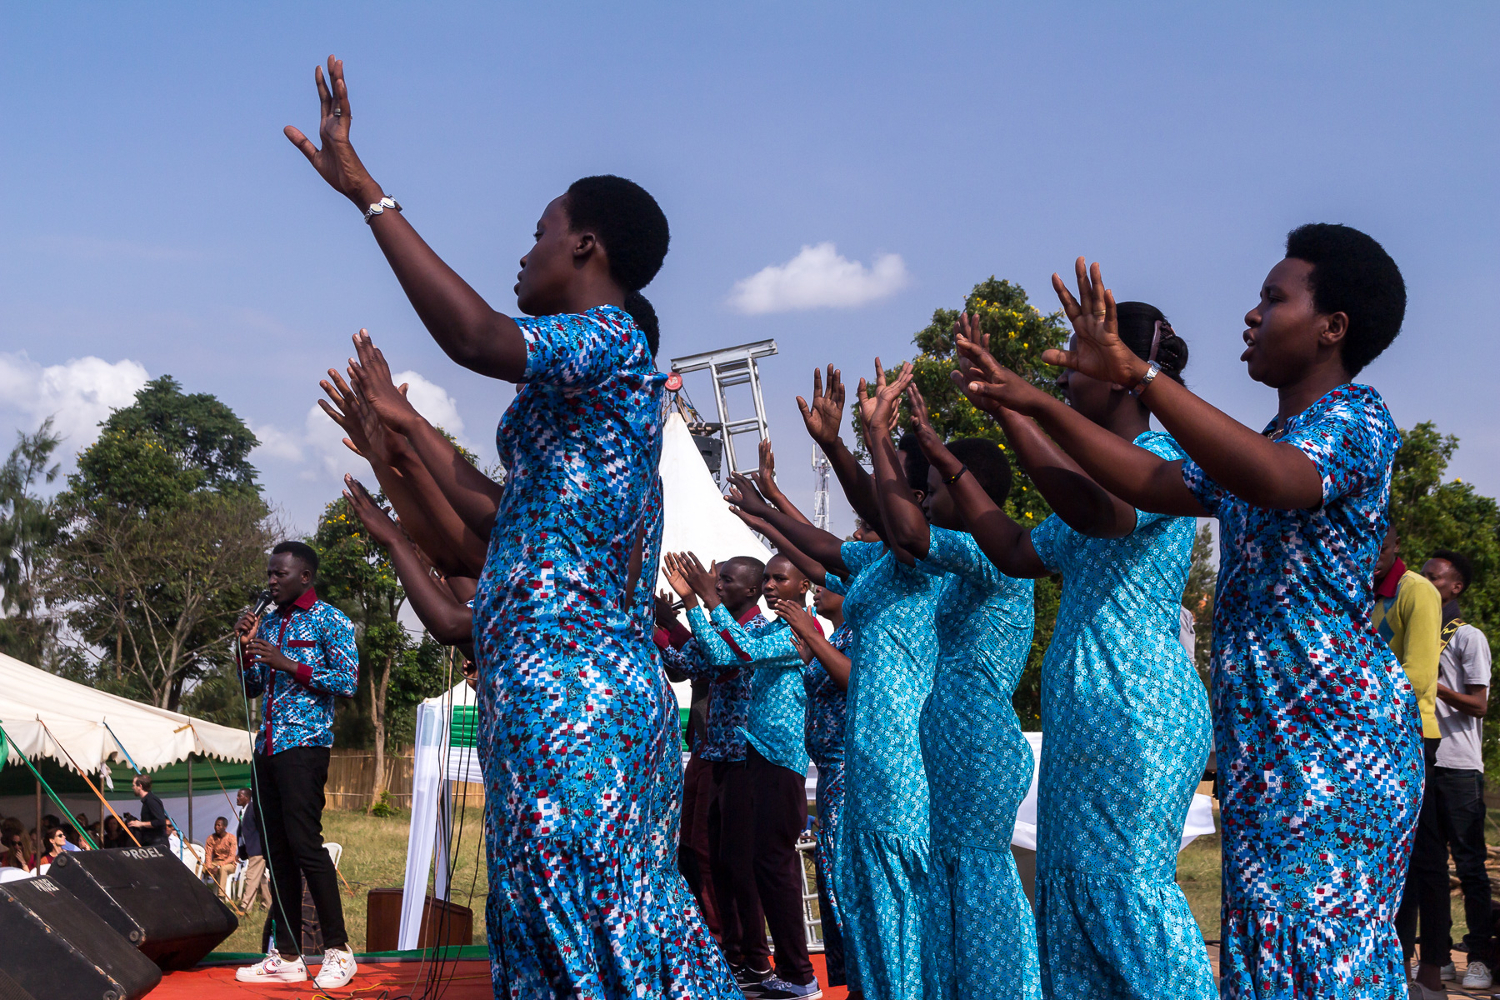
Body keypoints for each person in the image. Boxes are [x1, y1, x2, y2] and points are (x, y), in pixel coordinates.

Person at [287, 54, 735, 999]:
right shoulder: (566, 409)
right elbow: (494, 516)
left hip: (583, 698)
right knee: (545, 923)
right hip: (542, 696)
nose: (523, 251)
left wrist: (366, 192)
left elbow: (480, 338)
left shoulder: (615, 342)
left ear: (587, 249)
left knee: (598, 921)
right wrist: (399, 444)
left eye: (539, 235)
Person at [958, 229, 1421, 995]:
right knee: (1269, 955)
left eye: (1274, 299)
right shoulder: (1267, 440)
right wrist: (1028, 401)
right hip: (1267, 737)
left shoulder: (1357, 419)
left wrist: (1140, 377)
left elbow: (1277, 479)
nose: (1251, 314)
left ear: (1333, 327)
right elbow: (1147, 480)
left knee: (1317, 956)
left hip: (1336, 739)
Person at [946, 306, 1215, 997]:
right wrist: (995, 419)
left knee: (1120, 890)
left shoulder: (1161, 460)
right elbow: (1012, 551)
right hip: (1087, 713)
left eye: (1076, 359)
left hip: (1137, 707)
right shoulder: (1088, 486)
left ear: (1124, 374)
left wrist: (1024, 404)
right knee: (1071, 894)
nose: (1063, 372)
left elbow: (1103, 511)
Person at [727, 367, 945, 1000]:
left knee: (891, 900)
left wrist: (846, 446)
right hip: (860, 759)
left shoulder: (925, 556)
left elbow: (840, 545)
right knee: (858, 895)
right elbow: (820, 545)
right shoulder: (879, 566)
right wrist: (768, 507)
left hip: (887, 758)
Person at [853, 365, 1042, 1000]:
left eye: (932, 488)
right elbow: (892, 524)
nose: (924, 498)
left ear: (969, 490)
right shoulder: (953, 565)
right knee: (951, 887)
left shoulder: (993, 555)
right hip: (949, 747)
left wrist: (881, 439)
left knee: (978, 882)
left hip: (978, 746)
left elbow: (905, 528)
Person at [666, 551, 822, 1000]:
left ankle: (797, 974)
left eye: (780, 579)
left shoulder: (798, 631)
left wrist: (701, 603)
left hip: (776, 762)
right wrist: (690, 609)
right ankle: (773, 968)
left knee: (772, 869)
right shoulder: (778, 628)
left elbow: (735, 651)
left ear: (803, 586)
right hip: (753, 760)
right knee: (741, 865)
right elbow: (710, 653)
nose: (772, 586)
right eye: (768, 578)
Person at [233, 540, 359, 989]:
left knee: (306, 845)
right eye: (269, 573)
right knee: (276, 852)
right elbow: (251, 687)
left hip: (304, 746)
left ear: (304, 576)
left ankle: (338, 951)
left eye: (279, 574)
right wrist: (243, 646)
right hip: (267, 748)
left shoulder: (330, 620)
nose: (270, 581)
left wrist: (289, 663)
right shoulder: (268, 620)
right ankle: (287, 955)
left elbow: (347, 681)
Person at [654, 557, 767, 985]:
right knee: (708, 857)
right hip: (713, 753)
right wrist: (654, 623)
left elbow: (726, 657)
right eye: (716, 580)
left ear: (751, 590)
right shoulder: (720, 625)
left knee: (737, 864)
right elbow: (687, 667)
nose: (716, 585)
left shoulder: (759, 631)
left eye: (725, 581)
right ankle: (729, 952)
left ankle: (754, 958)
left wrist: (692, 600)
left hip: (743, 760)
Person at [1415, 550, 1493, 990]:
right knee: (1428, 866)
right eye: (1422, 575)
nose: (1424, 582)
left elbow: (1479, 705)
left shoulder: (1467, 637)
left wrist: (1433, 684)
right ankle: (1438, 956)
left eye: (1434, 577)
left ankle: (1479, 956)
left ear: (1455, 587)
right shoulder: (1419, 629)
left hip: (1460, 766)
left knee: (1470, 866)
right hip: (1426, 759)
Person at [1373, 525, 1445, 988]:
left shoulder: (1416, 591)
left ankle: (1434, 970)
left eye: (1380, 546)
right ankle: (1390, 967)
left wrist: (1345, 695)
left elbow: (1417, 674)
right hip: (1366, 736)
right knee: (1383, 857)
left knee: (1422, 857)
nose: (1371, 555)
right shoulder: (1355, 591)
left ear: (1395, 545)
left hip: (1411, 733)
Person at [235, 787, 271, 915]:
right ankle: (268, 903)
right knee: (260, 878)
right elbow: (243, 833)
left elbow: (263, 828)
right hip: (250, 849)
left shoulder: (254, 809)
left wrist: (264, 846)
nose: (237, 798)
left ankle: (245, 907)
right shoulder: (242, 811)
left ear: (247, 797)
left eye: (240, 796)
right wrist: (241, 851)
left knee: (250, 876)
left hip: (258, 849)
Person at [128, 774, 168, 847]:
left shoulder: (151, 801)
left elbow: (160, 821)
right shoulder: (147, 801)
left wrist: (141, 824)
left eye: (134, 785)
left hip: (157, 843)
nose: (133, 787)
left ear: (140, 786)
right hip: (151, 842)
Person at [205, 816, 238, 899]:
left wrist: (219, 865)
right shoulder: (211, 838)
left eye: (219, 825)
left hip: (229, 864)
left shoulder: (231, 838)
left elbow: (232, 857)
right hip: (215, 862)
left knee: (223, 869)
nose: (216, 827)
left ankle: (221, 896)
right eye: (215, 825)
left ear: (225, 827)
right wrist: (209, 867)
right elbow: (208, 854)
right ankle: (197, 890)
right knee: (200, 868)